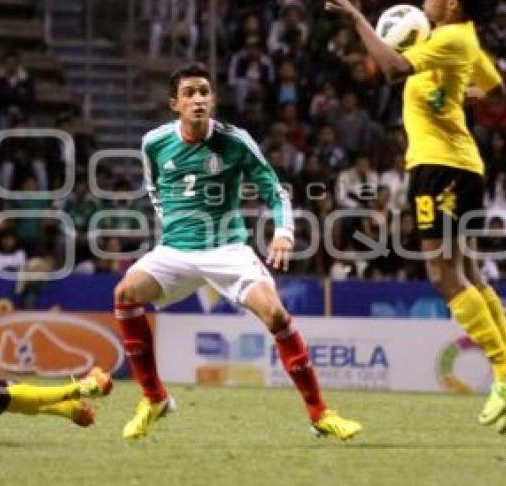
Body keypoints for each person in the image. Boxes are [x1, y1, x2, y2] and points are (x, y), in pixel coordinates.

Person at [324, 0, 506, 434]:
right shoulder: (456, 40)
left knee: (441, 274)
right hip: (456, 165)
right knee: (467, 271)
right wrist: (459, 93)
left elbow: (392, 68)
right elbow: (497, 89)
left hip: (440, 168)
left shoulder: (451, 38)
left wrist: (357, 15)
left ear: (454, 4)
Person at [113, 62, 361, 441]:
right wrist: (173, 224)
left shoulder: (235, 140)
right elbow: (154, 189)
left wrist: (283, 232)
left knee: (276, 315)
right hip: (176, 250)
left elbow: (274, 189)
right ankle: (154, 398)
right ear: (174, 104)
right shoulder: (154, 142)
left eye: (204, 92)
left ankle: (320, 414)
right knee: (125, 294)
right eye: (190, 93)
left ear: (213, 99)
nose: (198, 99)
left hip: (228, 248)